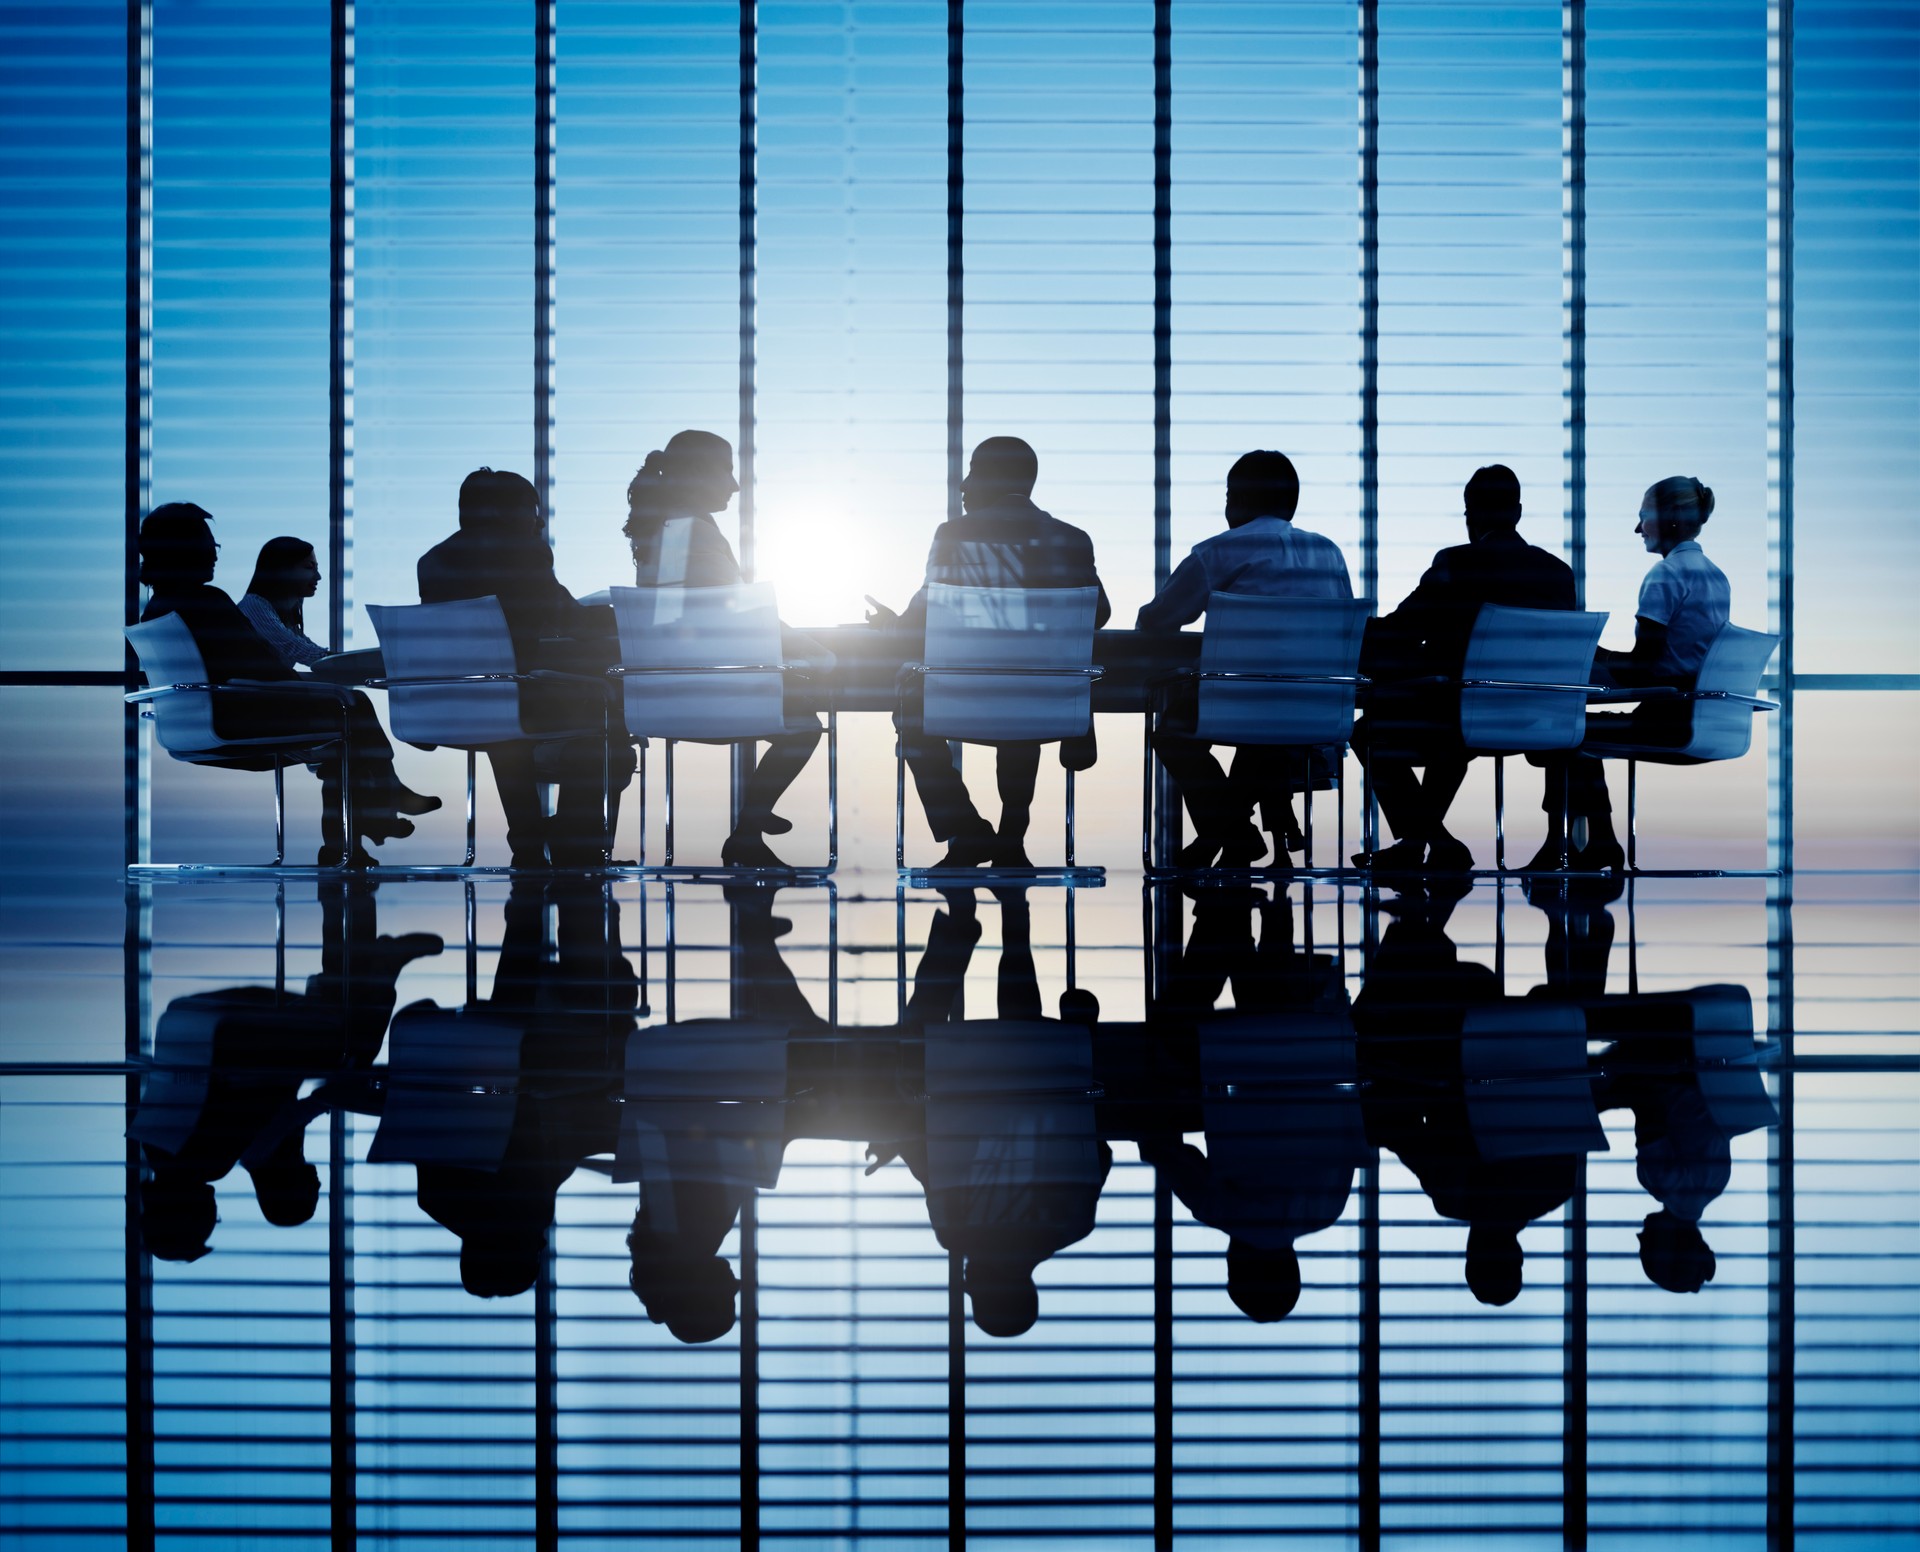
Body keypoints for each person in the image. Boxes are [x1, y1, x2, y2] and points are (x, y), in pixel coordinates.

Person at [137, 504, 430, 866]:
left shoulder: (157, 609)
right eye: (207, 545)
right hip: (239, 720)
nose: (214, 553)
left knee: (344, 733)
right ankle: (380, 805)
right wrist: (318, 687)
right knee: (353, 710)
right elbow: (264, 669)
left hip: (195, 726)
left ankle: (353, 838)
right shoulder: (207, 601)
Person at [868, 436, 1111, 868]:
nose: (963, 484)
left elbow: (921, 619)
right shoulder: (1073, 539)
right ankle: (1011, 839)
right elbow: (1099, 612)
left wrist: (888, 624)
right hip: (1045, 700)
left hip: (963, 694)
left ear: (996, 478)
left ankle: (966, 832)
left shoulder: (953, 536)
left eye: (974, 470)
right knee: (1022, 703)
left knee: (909, 712)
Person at [1350, 465, 1576, 872]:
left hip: (1460, 713)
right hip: (1540, 720)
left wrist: (1348, 633)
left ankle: (1430, 839)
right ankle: (1423, 842)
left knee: (1368, 731)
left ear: (1471, 514)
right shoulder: (1559, 574)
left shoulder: (1457, 562)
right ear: (1518, 512)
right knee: (1451, 729)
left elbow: (1402, 629)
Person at [623, 430, 830, 870]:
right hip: (707, 692)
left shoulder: (661, 529)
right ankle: (747, 830)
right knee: (804, 724)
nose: (735, 486)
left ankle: (753, 820)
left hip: (663, 695)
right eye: (727, 471)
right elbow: (732, 610)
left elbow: (681, 613)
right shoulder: (690, 530)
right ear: (698, 474)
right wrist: (813, 647)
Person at [1137, 450, 1354, 868]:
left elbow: (1159, 619)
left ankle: (1232, 832)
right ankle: (1233, 835)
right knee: (1263, 734)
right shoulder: (1330, 554)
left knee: (1172, 733)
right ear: (1290, 502)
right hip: (1318, 707)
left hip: (1241, 701)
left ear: (1234, 500)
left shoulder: (1218, 552)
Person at [418, 468, 635, 868]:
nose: (538, 520)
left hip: (457, 701)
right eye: (532, 510)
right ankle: (574, 838)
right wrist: (624, 616)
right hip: (522, 698)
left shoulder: (432, 561)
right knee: (611, 728)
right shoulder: (524, 550)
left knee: (507, 722)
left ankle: (529, 841)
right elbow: (567, 616)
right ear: (505, 512)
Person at [1529, 476, 1730, 872]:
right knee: (1573, 733)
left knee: (1561, 734)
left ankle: (1568, 845)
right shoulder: (1715, 575)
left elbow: (1644, 668)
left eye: (1643, 518)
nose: (1638, 529)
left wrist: (1593, 654)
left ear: (1669, 518)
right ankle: (1596, 842)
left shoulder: (1665, 576)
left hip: (1666, 718)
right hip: (1701, 715)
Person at [237, 537, 331, 668]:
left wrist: (340, 659)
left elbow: (304, 645)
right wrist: (347, 662)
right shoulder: (254, 605)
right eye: (310, 567)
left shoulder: (285, 611)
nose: (318, 576)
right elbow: (296, 648)